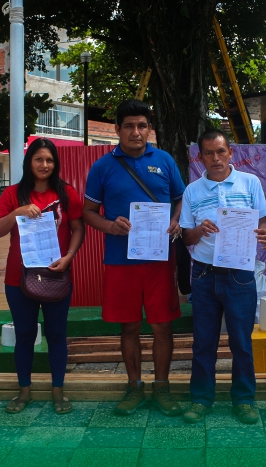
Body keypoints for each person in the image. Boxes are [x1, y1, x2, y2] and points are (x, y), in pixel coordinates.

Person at [83, 99, 185, 416]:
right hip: (120, 262)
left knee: (162, 327)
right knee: (128, 328)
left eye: (142, 125)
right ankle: (134, 387)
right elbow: (88, 213)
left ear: (149, 129)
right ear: (117, 130)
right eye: (129, 126)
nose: (136, 132)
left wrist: (176, 221)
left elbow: (182, 200)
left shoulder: (165, 160)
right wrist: (110, 226)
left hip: (159, 261)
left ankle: (163, 388)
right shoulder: (102, 166)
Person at [179, 129, 266, 424]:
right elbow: (186, 238)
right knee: (203, 341)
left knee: (241, 341)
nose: (216, 158)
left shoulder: (250, 182)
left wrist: (265, 234)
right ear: (201, 156)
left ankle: (244, 400)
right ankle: (201, 399)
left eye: (221, 151)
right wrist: (199, 230)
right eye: (209, 153)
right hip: (204, 274)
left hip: (241, 274)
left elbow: (264, 224)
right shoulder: (192, 190)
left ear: (231, 153)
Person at [0, 138, 85, 415]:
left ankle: (58, 391)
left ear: (55, 164)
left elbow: (78, 228)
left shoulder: (67, 193)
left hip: (57, 273)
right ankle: (24, 392)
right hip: (18, 278)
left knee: (57, 335)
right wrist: (18, 212)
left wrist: (69, 257)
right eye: (38, 159)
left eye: (49, 160)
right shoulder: (13, 194)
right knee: (25, 335)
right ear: (28, 162)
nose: (44, 165)